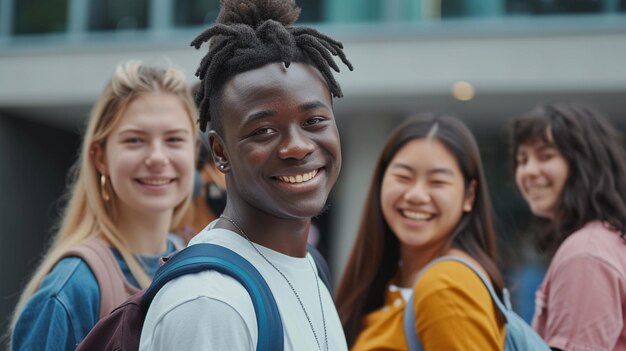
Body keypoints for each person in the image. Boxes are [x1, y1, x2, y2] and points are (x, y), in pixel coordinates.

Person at [138, 0, 353, 350]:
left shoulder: (311, 266)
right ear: (220, 152)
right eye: (264, 131)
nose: (297, 147)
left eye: (314, 121)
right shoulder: (209, 303)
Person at [10, 61, 197, 351]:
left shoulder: (192, 264)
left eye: (174, 139)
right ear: (100, 157)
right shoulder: (72, 290)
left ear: (194, 151)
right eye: (135, 140)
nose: (158, 157)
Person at [336, 114, 507, 350]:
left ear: (469, 196)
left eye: (437, 182)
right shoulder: (393, 281)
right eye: (403, 177)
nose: (416, 195)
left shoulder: (446, 285)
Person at [511, 103, 626, 350]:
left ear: (584, 163)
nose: (528, 171)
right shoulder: (605, 239)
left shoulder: (585, 253)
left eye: (545, 156)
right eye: (522, 160)